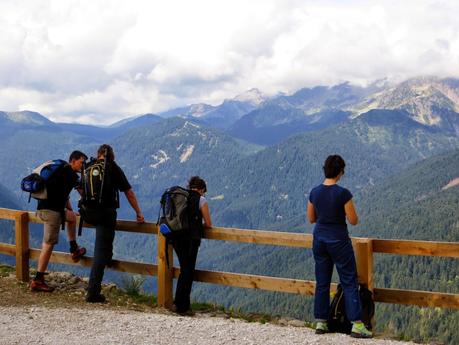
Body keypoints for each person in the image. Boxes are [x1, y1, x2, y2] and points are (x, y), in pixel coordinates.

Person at [307, 155, 372, 338]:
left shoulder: (314, 192)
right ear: (340, 172)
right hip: (339, 242)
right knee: (349, 281)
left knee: (322, 282)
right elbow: (353, 220)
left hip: (319, 240)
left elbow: (311, 218)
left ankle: (321, 322)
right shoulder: (343, 193)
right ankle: (357, 325)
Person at [85, 144, 145, 303]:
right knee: (100, 252)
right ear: (112, 156)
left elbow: (80, 186)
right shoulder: (112, 167)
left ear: (98, 154)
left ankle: (108, 257)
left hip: (88, 213)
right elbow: (129, 193)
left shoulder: (90, 166)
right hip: (105, 213)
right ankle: (93, 292)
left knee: (104, 246)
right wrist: (138, 212)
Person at [31, 150, 88, 292]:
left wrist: (69, 210)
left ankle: (74, 249)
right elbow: (82, 191)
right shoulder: (71, 174)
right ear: (73, 161)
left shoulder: (61, 170)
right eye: (81, 162)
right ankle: (38, 280)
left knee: (72, 218)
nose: (83, 166)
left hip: (43, 209)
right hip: (52, 212)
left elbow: (64, 194)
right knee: (48, 244)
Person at [171, 176, 212, 315]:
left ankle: (178, 304)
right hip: (190, 240)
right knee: (188, 272)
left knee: (184, 270)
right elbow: (208, 224)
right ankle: (183, 306)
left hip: (176, 237)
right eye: (204, 192)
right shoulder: (201, 200)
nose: (204, 194)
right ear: (201, 189)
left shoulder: (181, 197)